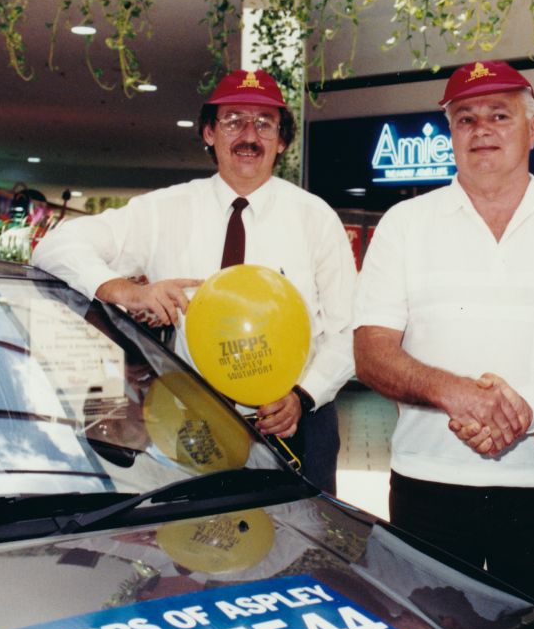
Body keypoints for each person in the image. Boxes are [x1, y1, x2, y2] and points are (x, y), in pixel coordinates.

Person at [32, 69, 356, 494]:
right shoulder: (165, 210)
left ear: (282, 140)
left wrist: (304, 395)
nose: (249, 135)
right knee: (201, 549)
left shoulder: (315, 219)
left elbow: (348, 329)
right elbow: (53, 247)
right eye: (233, 120)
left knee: (305, 553)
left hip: (297, 426)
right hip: (189, 424)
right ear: (208, 132)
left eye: (264, 123)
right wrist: (124, 289)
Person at [352, 60, 534, 605]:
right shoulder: (404, 226)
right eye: (465, 118)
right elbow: (371, 353)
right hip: (426, 484)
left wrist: (522, 410)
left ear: (533, 127)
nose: (482, 129)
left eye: (500, 115)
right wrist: (461, 394)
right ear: (451, 135)